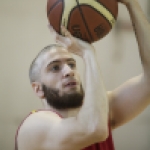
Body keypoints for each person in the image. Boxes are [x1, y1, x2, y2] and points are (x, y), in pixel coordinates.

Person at [15, 0, 150, 150]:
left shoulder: (101, 110)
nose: (68, 71)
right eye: (55, 68)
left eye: (72, 64)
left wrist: (133, 5)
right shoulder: (34, 125)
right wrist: (87, 54)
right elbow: (93, 129)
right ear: (38, 89)